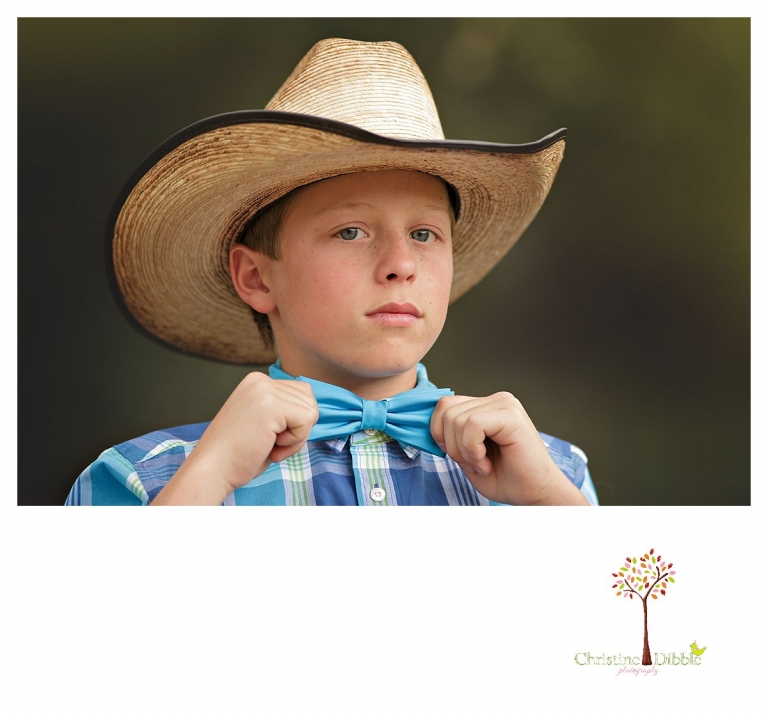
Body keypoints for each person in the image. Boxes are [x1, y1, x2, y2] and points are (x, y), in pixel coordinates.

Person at [65, 38, 598, 506]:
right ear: (256, 278)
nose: (401, 265)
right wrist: (209, 477)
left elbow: (635, 596)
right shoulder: (145, 480)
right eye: (350, 232)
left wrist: (550, 503)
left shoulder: (551, 475)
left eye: (423, 234)